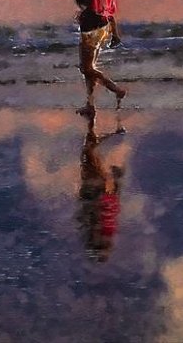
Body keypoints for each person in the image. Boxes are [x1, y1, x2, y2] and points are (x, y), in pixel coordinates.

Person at [73, 0, 126, 115]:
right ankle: (90, 104)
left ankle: (115, 89)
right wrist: (115, 33)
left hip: (90, 27)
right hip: (104, 26)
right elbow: (109, 9)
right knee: (90, 66)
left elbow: (85, 1)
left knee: (86, 68)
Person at [76, 109, 126, 262]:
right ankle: (111, 130)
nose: (100, 243)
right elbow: (105, 209)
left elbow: (105, 210)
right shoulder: (103, 230)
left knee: (89, 152)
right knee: (89, 151)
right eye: (101, 246)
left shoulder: (100, 230)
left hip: (97, 188)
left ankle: (94, 122)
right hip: (99, 189)